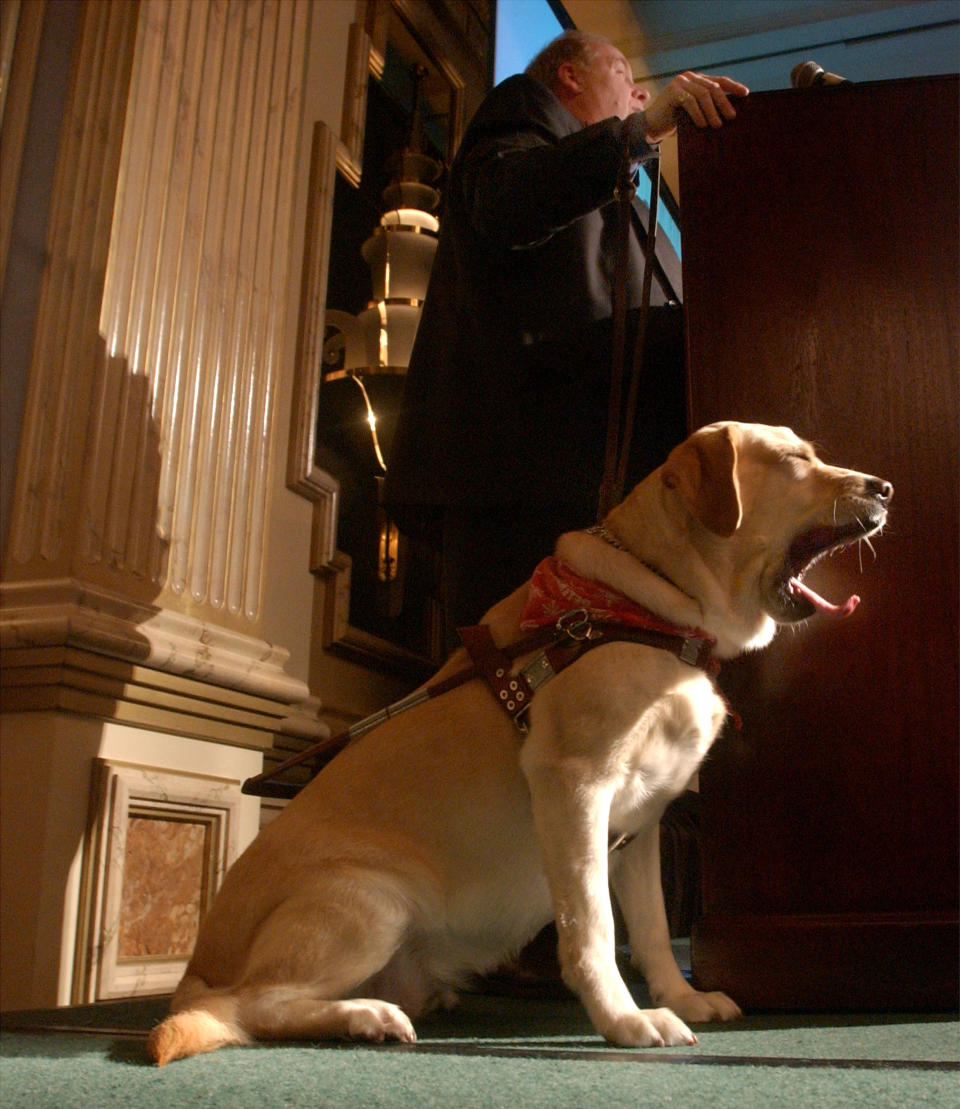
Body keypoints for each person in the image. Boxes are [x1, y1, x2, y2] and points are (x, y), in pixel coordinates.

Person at [384, 29, 748, 644]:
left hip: (602, 495)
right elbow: (506, 202)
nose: (638, 90)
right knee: (500, 706)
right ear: (570, 78)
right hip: (519, 484)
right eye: (619, 70)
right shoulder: (525, 110)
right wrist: (638, 133)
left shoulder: (626, 190)